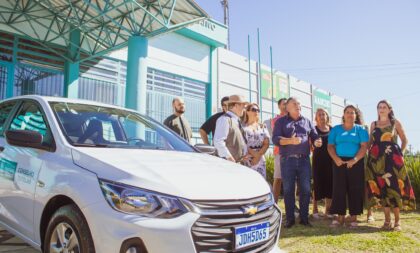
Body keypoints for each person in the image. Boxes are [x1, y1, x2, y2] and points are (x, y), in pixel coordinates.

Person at [366, 100, 416, 231]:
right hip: (376, 162)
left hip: (393, 161)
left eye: (384, 107)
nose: (381, 109)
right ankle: (387, 221)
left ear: (389, 109)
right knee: (382, 190)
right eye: (379, 107)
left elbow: (404, 139)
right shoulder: (373, 124)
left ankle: (397, 221)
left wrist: (401, 154)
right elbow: (369, 143)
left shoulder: (395, 123)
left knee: (394, 188)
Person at [272, 97, 322, 228]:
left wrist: (317, 142)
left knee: (305, 189)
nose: (298, 105)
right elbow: (276, 139)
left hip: (304, 159)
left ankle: (304, 218)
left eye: (299, 103)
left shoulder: (307, 121)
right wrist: (290, 141)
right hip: (287, 160)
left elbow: (315, 136)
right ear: (287, 107)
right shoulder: (281, 122)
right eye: (294, 104)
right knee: (288, 190)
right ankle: (290, 219)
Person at [328, 105, 369, 228]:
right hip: (338, 161)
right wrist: (336, 159)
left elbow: (364, 147)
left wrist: (354, 160)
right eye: (348, 112)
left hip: (356, 162)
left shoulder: (361, 129)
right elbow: (330, 146)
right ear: (344, 115)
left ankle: (353, 218)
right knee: (338, 188)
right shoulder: (335, 129)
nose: (350, 114)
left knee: (355, 189)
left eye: (352, 112)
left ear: (356, 116)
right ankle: (339, 217)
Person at [312, 108, 333, 219]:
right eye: (319, 114)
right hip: (318, 159)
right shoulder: (313, 129)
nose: (321, 116)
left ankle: (328, 210)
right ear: (316, 117)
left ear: (327, 116)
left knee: (330, 183)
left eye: (323, 114)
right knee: (317, 184)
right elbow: (310, 144)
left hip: (330, 159)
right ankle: (314, 209)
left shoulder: (332, 129)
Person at [213, 95, 248, 163]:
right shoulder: (224, 119)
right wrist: (230, 158)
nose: (244, 109)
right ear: (236, 105)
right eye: (243, 106)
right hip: (228, 165)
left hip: (236, 163)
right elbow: (218, 142)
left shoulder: (236, 120)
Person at [242, 103, 270, 178]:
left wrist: (258, 156)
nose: (256, 112)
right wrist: (254, 155)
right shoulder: (242, 127)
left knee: (262, 183)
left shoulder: (262, 126)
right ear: (247, 112)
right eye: (254, 110)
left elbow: (266, 144)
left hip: (260, 160)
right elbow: (242, 144)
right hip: (247, 160)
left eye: (258, 110)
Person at [271, 98, 288, 203]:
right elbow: (278, 136)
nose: (285, 106)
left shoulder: (293, 118)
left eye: (287, 104)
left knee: (291, 180)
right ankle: (275, 203)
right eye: (283, 104)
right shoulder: (276, 120)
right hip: (279, 153)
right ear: (279, 106)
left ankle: (291, 204)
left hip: (292, 153)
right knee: (278, 179)